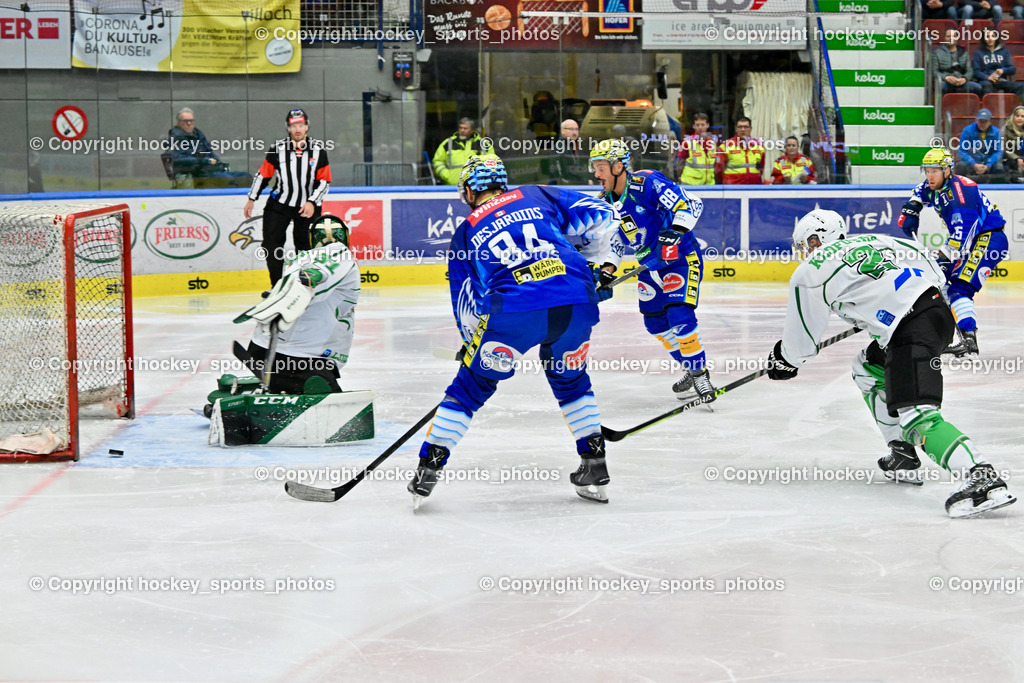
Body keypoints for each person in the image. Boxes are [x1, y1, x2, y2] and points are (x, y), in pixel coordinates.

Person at [766, 209, 1016, 518]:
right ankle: (902, 454)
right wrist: (885, 300)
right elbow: (933, 269)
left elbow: (803, 341)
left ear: (821, 238)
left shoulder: (811, 271)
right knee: (866, 368)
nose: (806, 251)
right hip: (936, 313)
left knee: (918, 417)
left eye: (808, 242)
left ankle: (982, 479)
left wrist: (784, 360)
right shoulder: (876, 240)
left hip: (909, 329)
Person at [407, 154, 621, 507]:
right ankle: (594, 464)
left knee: (470, 387)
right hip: (576, 304)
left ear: (470, 191)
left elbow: (467, 299)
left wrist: (469, 342)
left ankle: (428, 472)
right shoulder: (537, 194)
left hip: (514, 311)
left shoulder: (467, 230)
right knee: (571, 381)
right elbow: (605, 217)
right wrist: (599, 268)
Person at [589, 138, 717, 402]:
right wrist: (608, 269)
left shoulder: (646, 183)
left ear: (618, 166)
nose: (596, 173)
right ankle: (691, 369)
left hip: (681, 260)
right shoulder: (603, 202)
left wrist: (677, 229)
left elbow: (691, 203)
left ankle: (700, 374)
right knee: (655, 324)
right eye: (594, 167)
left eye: (601, 166)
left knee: (679, 316)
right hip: (649, 267)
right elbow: (614, 240)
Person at [897, 148, 1009, 356]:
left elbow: (963, 234)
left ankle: (968, 339)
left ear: (948, 170)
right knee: (941, 285)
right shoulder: (935, 184)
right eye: (927, 170)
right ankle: (947, 335)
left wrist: (944, 259)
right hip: (973, 241)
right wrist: (913, 206)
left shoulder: (962, 192)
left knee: (959, 287)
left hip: (989, 239)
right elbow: (920, 191)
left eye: (935, 171)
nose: (930, 176)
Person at [237, 213, 359, 395]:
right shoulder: (340, 253)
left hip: (262, 352)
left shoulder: (298, 260)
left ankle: (270, 391)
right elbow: (319, 270)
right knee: (333, 406)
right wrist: (306, 284)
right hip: (298, 359)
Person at [244, 108, 332, 287]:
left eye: (301, 125)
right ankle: (277, 287)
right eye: (294, 126)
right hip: (280, 204)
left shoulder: (318, 151)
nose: (298, 130)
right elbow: (263, 175)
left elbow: (324, 182)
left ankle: (304, 285)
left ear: (307, 127)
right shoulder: (277, 150)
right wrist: (252, 198)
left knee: (305, 247)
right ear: (288, 128)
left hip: (307, 206)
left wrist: (312, 202)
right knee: (271, 245)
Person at [165, 108, 251, 189]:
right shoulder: (175, 137)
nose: (189, 123)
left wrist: (218, 162)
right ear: (178, 122)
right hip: (197, 173)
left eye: (191, 121)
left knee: (246, 177)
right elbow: (178, 159)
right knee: (228, 180)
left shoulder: (198, 134)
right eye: (185, 121)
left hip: (212, 170)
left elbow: (209, 151)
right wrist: (204, 161)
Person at [971, 27, 1024, 98]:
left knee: (1021, 86)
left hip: (1001, 80)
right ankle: (987, 109)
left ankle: (1020, 108)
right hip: (986, 81)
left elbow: (1012, 69)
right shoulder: (978, 53)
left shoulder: (1004, 51)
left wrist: (1003, 70)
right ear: (983, 38)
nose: (990, 39)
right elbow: (976, 72)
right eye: (987, 36)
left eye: (993, 36)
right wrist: (988, 77)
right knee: (987, 86)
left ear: (996, 37)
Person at [954, 108, 1004, 183]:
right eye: (980, 121)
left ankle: (999, 190)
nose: (982, 124)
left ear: (990, 122)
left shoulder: (996, 132)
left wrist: (988, 164)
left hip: (988, 162)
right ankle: (960, 187)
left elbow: (998, 152)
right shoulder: (967, 131)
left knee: (999, 167)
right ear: (976, 120)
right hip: (972, 161)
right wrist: (973, 164)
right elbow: (962, 151)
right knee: (961, 166)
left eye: (985, 121)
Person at [431, 117, 483, 185]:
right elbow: (437, 161)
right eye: (460, 128)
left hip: (476, 185)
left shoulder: (482, 144)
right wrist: (447, 175)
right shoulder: (448, 143)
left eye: (465, 128)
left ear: (472, 130)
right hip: (452, 185)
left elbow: (491, 161)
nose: (462, 130)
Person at [933, 28, 982, 96]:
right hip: (946, 82)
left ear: (957, 38)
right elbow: (934, 71)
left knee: (977, 88)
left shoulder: (964, 52)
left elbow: (970, 70)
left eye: (953, 36)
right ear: (944, 38)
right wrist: (946, 78)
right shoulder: (937, 53)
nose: (951, 38)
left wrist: (964, 79)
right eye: (948, 36)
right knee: (942, 87)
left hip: (961, 80)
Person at [717, 117, 765, 185]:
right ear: (736, 129)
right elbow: (719, 169)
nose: (743, 129)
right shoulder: (725, 146)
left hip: (754, 186)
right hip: (733, 187)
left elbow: (761, 167)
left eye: (745, 127)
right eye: (740, 127)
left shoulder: (758, 145)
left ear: (750, 129)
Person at [674, 112, 718, 185]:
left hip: (709, 186)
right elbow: (679, 164)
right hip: (691, 185)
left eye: (702, 125)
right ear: (693, 126)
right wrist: (680, 178)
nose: (700, 127)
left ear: (707, 125)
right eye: (697, 125)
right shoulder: (687, 143)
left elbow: (716, 166)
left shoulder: (713, 143)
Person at [1001, 104, 1024, 182]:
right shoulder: (1005, 130)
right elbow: (1004, 148)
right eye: (1017, 116)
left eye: (1022, 116)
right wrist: (1017, 158)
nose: (1019, 118)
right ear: (1013, 117)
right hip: (1009, 159)